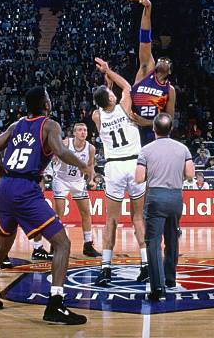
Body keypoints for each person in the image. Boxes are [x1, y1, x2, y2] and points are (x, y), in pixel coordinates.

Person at [0, 86, 90, 325]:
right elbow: (60, 150)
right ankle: (55, 304)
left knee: (4, 244)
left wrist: (2, 174)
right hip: (25, 189)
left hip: (4, 188)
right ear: (45, 103)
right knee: (62, 243)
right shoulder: (49, 125)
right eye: (48, 97)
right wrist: (84, 165)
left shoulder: (16, 126)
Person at [92, 58, 148, 287]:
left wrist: (106, 87)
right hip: (134, 164)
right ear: (113, 98)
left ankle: (105, 268)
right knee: (137, 218)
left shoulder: (97, 116)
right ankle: (145, 266)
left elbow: (104, 102)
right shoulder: (125, 106)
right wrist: (109, 70)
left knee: (111, 220)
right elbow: (127, 87)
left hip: (113, 166)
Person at [135, 113, 194, 300]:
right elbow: (190, 174)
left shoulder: (146, 150)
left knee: (153, 243)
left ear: (153, 130)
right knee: (172, 239)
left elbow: (138, 178)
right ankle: (170, 279)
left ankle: (158, 287)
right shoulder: (183, 149)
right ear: (171, 129)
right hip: (176, 197)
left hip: (156, 197)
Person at [128, 0, 176, 146]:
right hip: (131, 129)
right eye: (161, 59)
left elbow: (169, 121)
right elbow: (144, 39)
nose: (163, 60)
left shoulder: (169, 89)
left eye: (167, 61)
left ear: (170, 71)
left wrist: (147, 122)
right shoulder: (145, 72)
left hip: (152, 133)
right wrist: (148, 9)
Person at [49, 123, 101, 257]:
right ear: (74, 133)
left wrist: (91, 179)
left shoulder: (91, 148)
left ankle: (88, 245)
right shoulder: (66, 143)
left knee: (86, 212)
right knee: (59, 212)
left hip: (78, 181)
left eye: (85, 130)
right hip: (61, 179)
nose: (83, 132)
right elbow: (53, 152)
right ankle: (55, 244)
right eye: (80, 130)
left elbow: (90, 165)